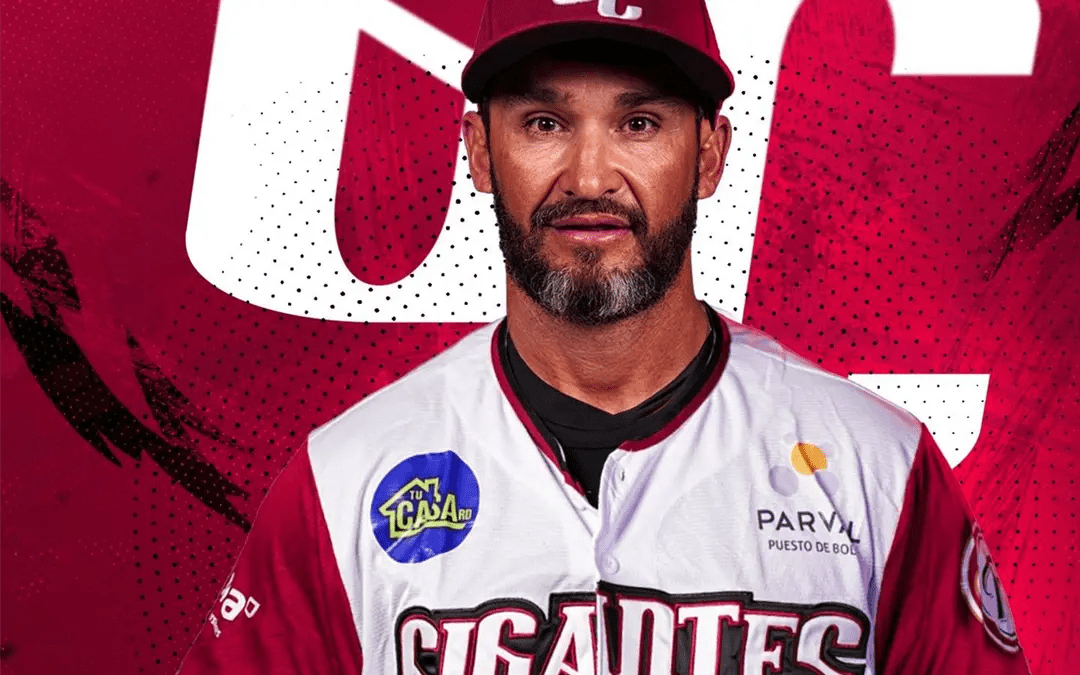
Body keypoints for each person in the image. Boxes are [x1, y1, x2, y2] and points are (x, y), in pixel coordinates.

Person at [177, 0, 1032, 673]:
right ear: (479, 151)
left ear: (710, 154)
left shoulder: (878, 468)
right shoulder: (345, 478)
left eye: (639, 123)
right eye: (544, 123)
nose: (590, 176)